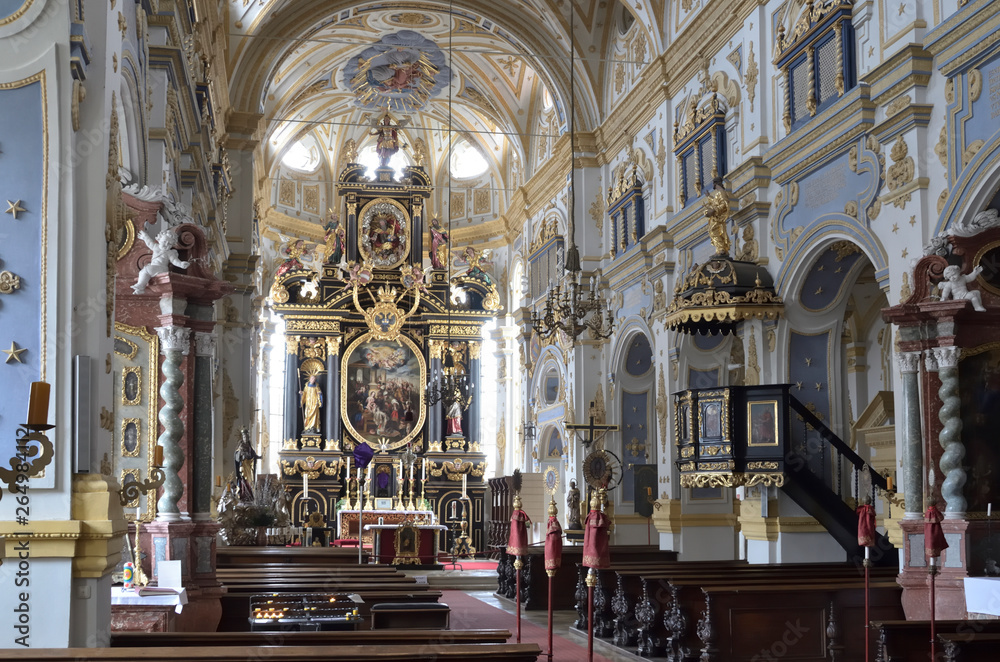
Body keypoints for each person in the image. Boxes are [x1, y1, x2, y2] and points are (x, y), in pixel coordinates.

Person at [132, 227, 191, 294]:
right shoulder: (156, 247)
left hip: (161, 269)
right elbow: (149, 243)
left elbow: (174, 261)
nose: (166, 244)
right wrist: (145, 236)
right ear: (159, 240)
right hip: (154, 268)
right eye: (164, 241)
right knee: (142, 272)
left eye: (169, 244)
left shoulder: (170, 253)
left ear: (172, 245)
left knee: (147, 269)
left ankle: (141, 286)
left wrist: (181, 264)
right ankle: (139, 289)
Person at [702, 177, 731, 257]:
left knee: (714, 230)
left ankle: (721, 249)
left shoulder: (722, 192)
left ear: (715, 184)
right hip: (715, 217)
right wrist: (709, 197)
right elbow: (715, 201)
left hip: (719, 217)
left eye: (713, 184)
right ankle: (720, 249)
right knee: (712, 231)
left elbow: (724, 204)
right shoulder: (718, 193)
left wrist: (714, 210)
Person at [234, 427, 260, 502]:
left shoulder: (250, 447)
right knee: (243, 480)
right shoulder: (240, 446)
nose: (246, 438)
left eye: (247, 436)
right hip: (243, 466)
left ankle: (250, 495)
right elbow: (237, 456)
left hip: (249, 466)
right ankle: (243, 495)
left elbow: (253, 455)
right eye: (245, 436)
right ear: (242, 437)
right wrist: (242, 455)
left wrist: (258, 457)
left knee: (250, 480)